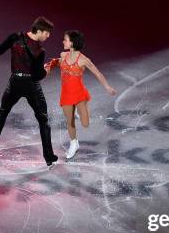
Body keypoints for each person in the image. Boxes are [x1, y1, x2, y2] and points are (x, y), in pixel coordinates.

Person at [0, 17, 59, 167]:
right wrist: (48, 68)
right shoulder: (40, 50)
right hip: (31, 86)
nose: (48, 36)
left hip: (14, 82)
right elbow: (38, 76)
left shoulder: (15, 37)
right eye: (47, 33)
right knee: (43, 119)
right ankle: (48, 156)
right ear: (39, 31)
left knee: (2, 113)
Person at [45, 30, 116, 159]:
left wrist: (107, 87)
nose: (63, 42)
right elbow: (58, 61)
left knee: (85, 123)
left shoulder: (83, 60)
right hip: (66, 94)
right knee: (69, 121)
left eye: (65, 40)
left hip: (79, 94)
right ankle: (74, 143)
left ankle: (81, 111)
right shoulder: (63, 54)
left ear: (72, 43)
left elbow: (97, 73)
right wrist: (50, 65)